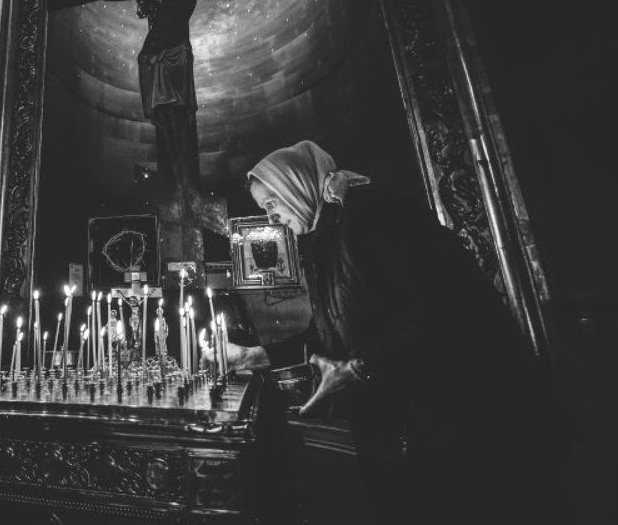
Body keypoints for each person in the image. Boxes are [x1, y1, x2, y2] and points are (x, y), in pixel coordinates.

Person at [210, 140, 565, 524]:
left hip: (467, 422)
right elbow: (327, 332)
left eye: (272, 204)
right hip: (408, 425)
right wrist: (251, 356)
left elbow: (443, 310)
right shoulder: (327, 239)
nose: (272, 219)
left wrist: (359, 370)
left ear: (296, 185)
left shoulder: (376, 216)